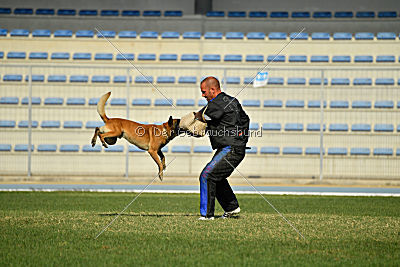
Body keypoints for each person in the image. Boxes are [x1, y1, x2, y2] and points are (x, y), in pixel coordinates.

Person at [194, 76, 250, 220]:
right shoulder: (233, 101)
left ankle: (207, 215)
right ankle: (231, 207)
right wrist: (241, 140)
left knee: (207, 176)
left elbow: (201, 117)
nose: (203, 95)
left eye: (204, 92)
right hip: (236, 148)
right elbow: (246, 120)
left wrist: (183, 125)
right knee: (216, 176)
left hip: (229, 148)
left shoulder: (216, 103)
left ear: (213, 90)